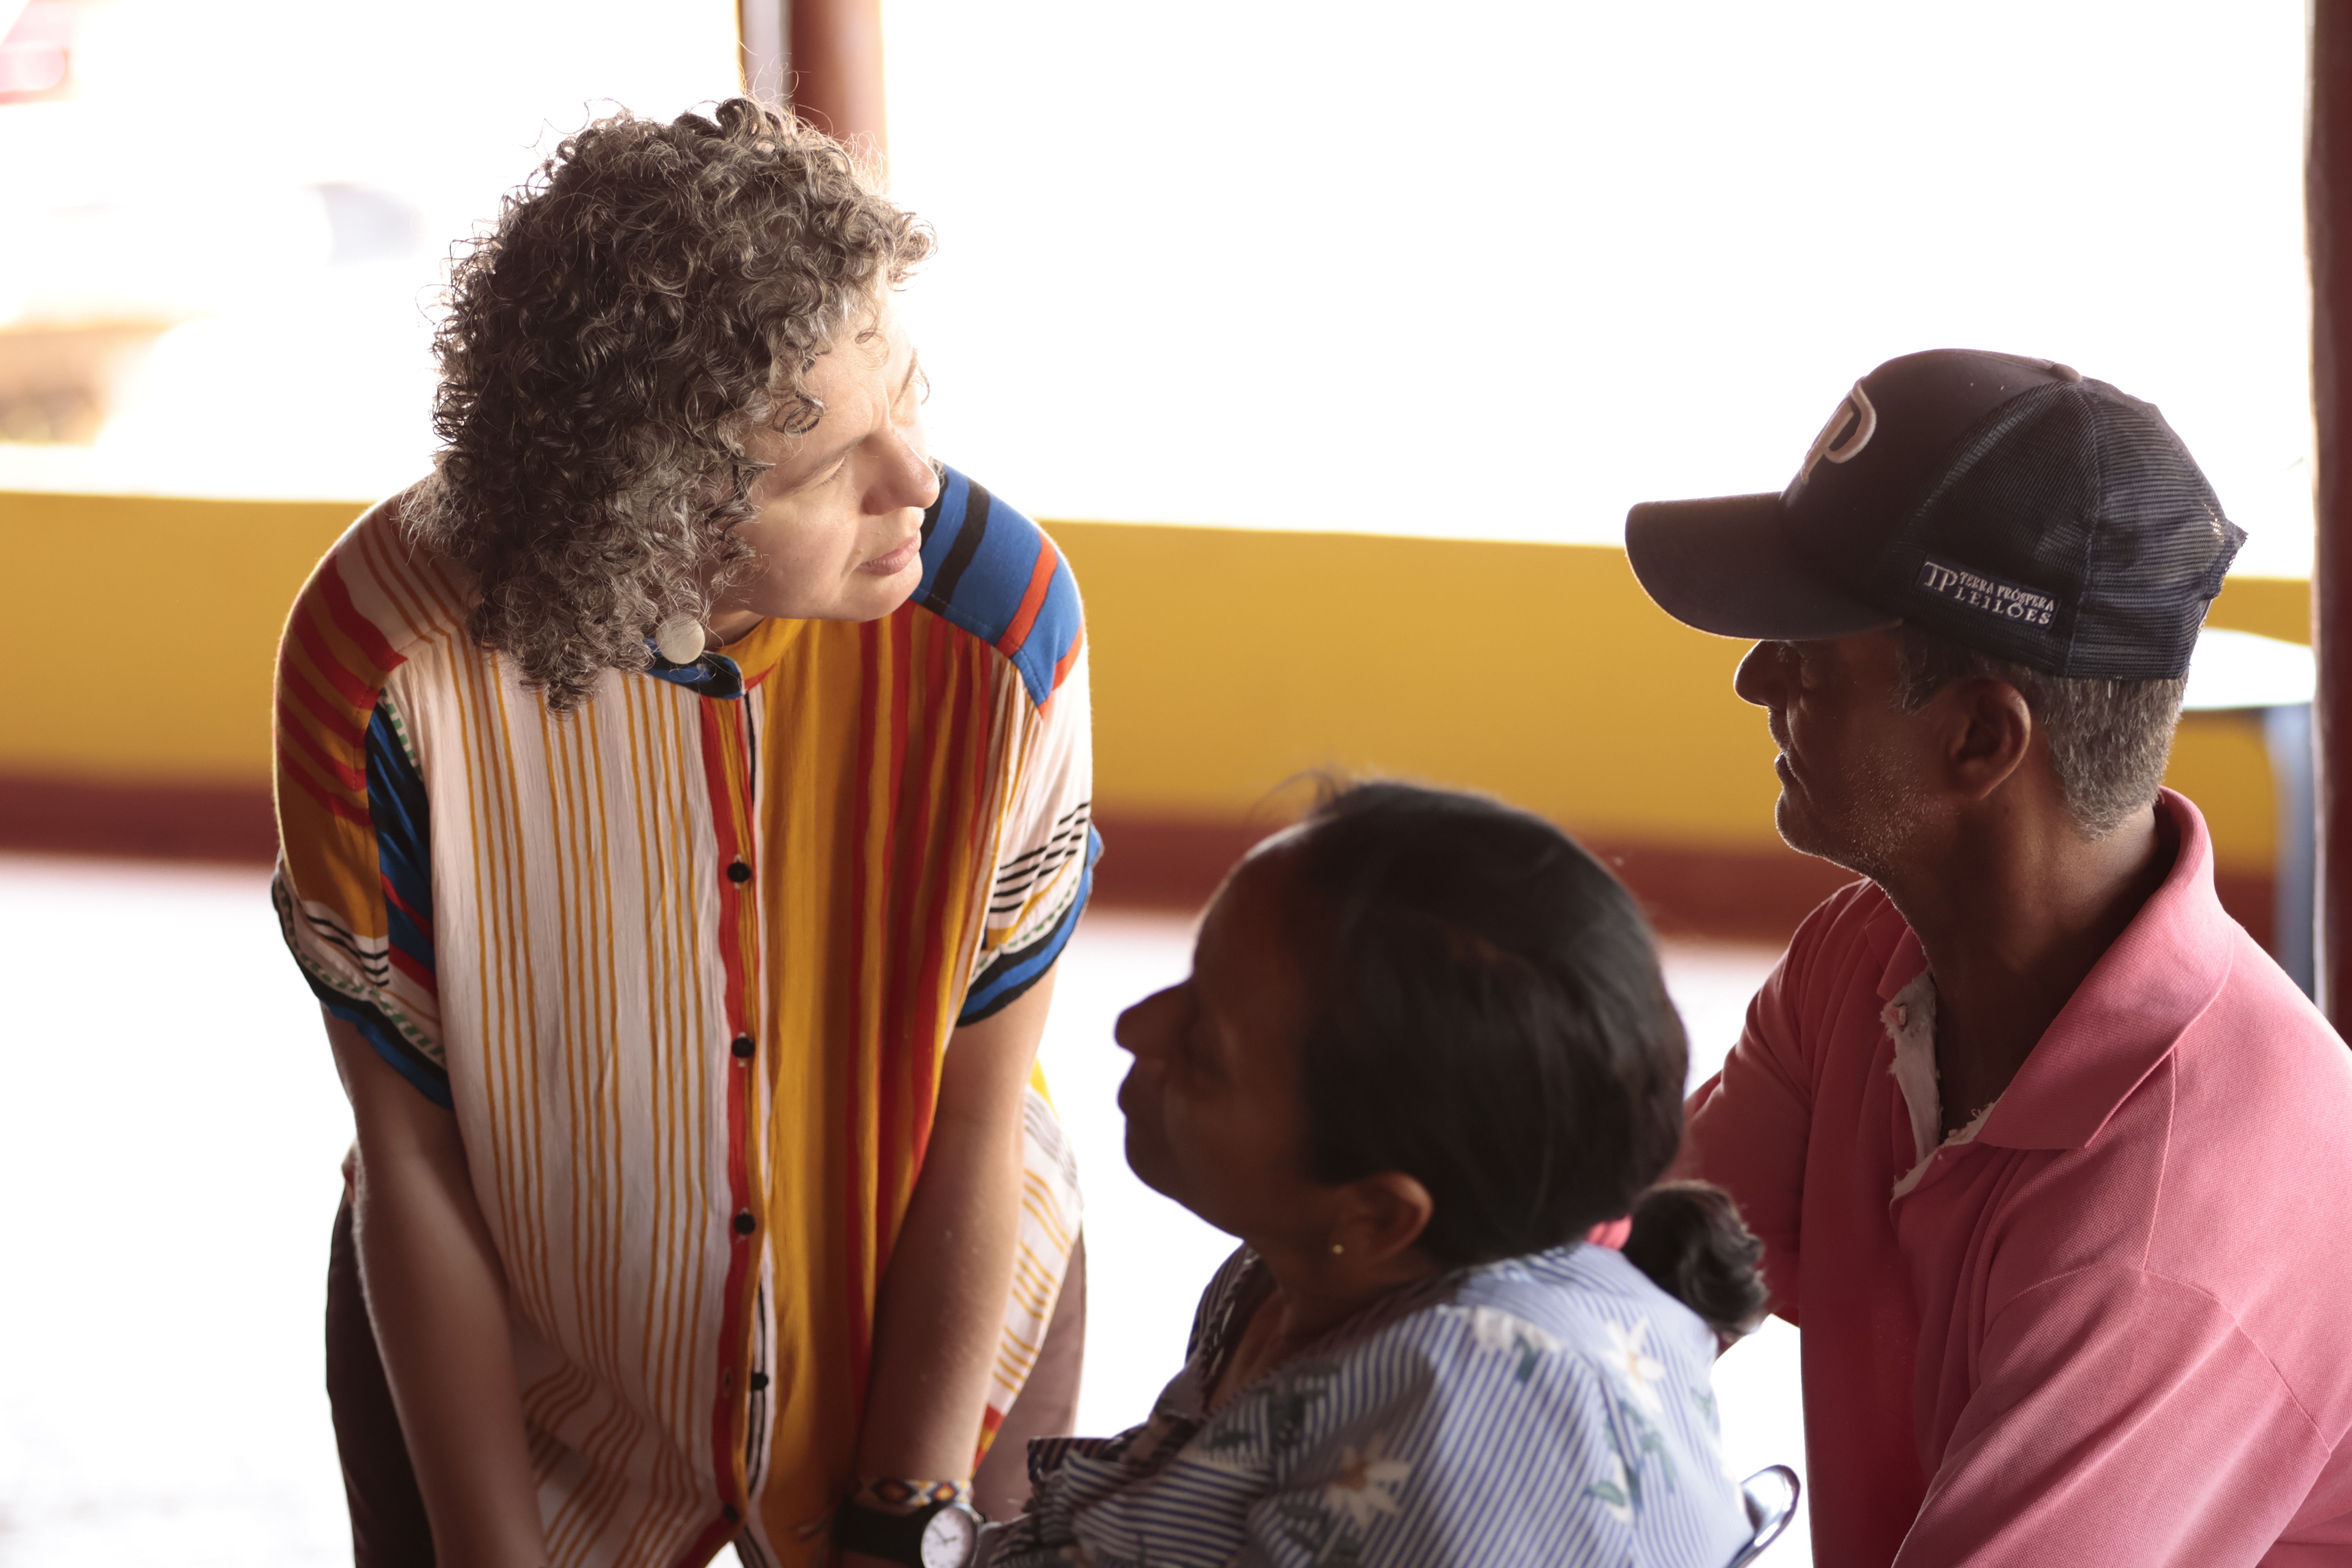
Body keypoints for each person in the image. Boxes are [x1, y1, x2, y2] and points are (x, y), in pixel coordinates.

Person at [273, 100, 1096, 1568]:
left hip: (934, 1333)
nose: (915, 481)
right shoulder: (381, 663)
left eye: (909, 398)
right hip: (521, 1363)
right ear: (641, 515)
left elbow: (980, 1116)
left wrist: (907, 1513)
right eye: (825, 468)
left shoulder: (1004, 627)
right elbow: (411, 1161)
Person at [1622, 348, 2352, 1565]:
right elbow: (1623, 1287)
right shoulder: (1871, 962)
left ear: (1977, 741)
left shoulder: (2167, 1232)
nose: (1756, 678)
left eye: (1812, 653)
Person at [978, 782, 1768, 1568]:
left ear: (1378, 1216)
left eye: (1205, 1047)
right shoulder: (1294, 1272)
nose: (1135, 1025)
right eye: (1192, 977)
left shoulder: (1468, 1412)